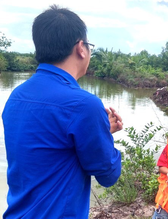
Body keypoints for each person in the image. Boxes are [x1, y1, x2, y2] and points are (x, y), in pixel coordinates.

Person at [2, 5, 123, 218]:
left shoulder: (16, 97)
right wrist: (103, 136)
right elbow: (107, 175)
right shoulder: (84, 104)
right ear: (81, 48)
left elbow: (48, 152)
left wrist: (100, 132)